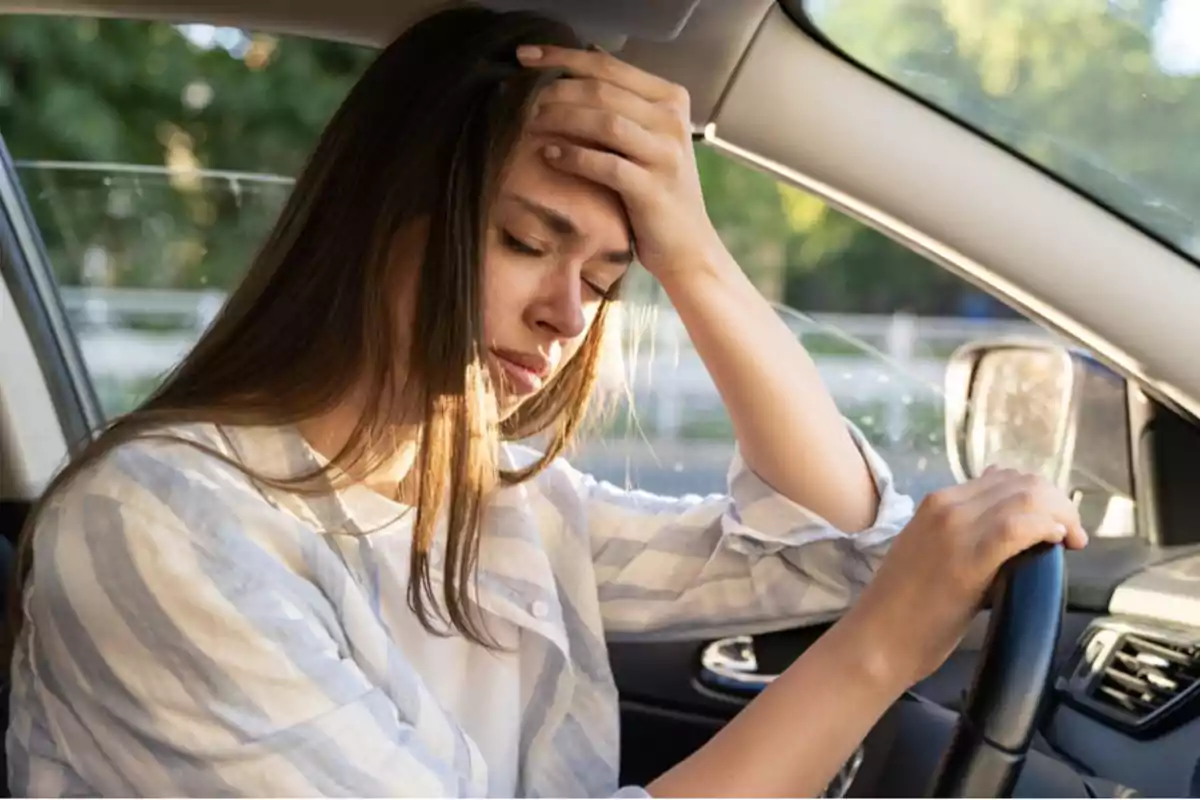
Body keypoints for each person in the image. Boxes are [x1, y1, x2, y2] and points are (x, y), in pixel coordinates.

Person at [5, 5, 1088, 798]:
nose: (567, 313)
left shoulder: (486, 492)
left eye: (611, 278)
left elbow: (829, 547)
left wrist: (696, 255)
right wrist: (874, 657)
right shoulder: (157, 526)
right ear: (377, 216)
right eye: (527, 240)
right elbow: (869, 601)